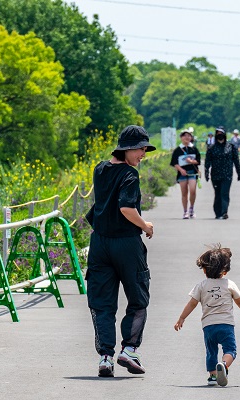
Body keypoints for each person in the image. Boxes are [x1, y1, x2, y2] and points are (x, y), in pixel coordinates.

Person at [85, 125, 155, 378]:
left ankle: (106, 356)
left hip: (100, 244)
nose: (143, 154)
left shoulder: (100, 169)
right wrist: (145, 226)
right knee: (138, 298)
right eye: (140, 149)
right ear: (126, 149)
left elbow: (102, 203)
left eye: (144, 149)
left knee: (102, 303)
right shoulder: (130, 175)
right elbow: (126, 208)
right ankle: (129, 349)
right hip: (126, 243)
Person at [174, 244, 240, 387]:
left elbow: (192, 303)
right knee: (230, 350)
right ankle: (224, 365)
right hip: (226, 325)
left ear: (204, 270)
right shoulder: (229, 284)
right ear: (224, 271)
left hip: (208, 326)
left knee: (211, 351)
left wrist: (182, 318)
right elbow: (239, 301)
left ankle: (212, 376)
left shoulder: (201, 286)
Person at [205, 127, 240, 220]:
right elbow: (207, 161)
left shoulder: (231, 147)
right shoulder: (212, 148)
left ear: (225, 134)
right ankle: (218, 213)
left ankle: (224, 212)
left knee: (224, 193)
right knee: (218, 194)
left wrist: (239, 172)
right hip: (215, 175)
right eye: (217, 133)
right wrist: (206, 172)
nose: (219, 135)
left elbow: (236, 160)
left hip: (227, 174)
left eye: (221, 133)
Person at [170, 129, 201, 219]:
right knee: (184, 193)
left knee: (192, 190)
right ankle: (185, 211)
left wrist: (191, 161)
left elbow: (198, 161)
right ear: (181, 137)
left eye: (188, 136)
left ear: (191, 137)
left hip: (192, 172)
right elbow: (174, 163)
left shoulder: (194, 149)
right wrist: (180, 170)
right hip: (182, 173)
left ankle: (191, 208)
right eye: (184, 136)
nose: (186, 138)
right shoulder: (177, 150)